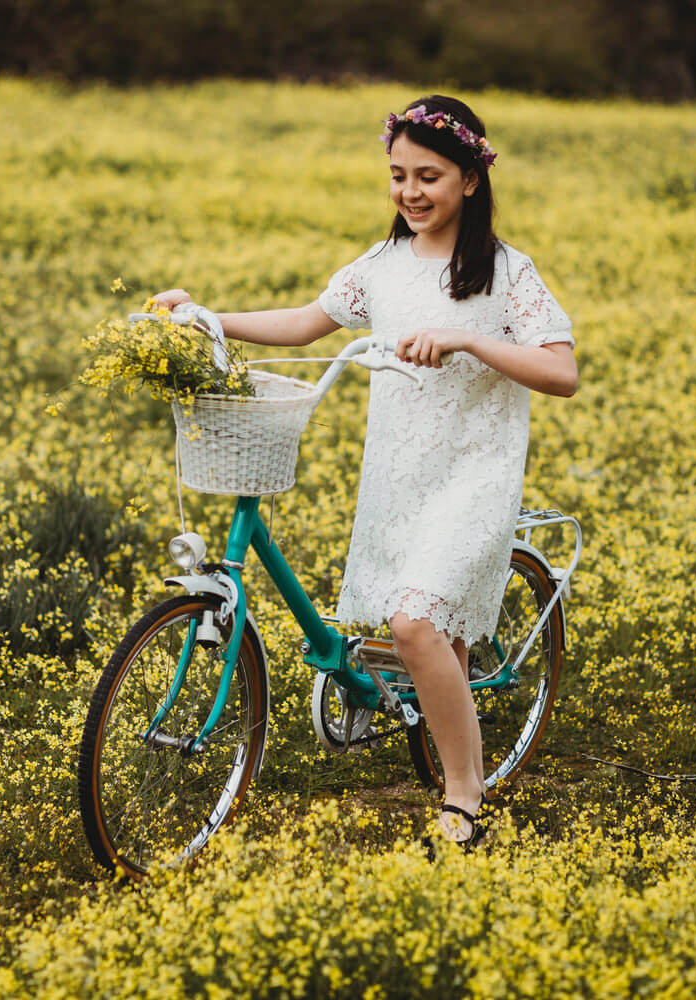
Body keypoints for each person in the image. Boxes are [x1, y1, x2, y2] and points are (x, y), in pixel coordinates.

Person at [152, 95, 578, 848]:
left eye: (430, 176)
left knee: (414, 623)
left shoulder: (506, 273)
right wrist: (209, 316)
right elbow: (307, 321)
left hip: (474, 473)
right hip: (399, 476)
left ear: (470, 180)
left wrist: (467, 341)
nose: (411, 192)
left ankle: (464, 793)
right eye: (398, 175)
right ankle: (453, 746)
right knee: (426, 636)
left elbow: (561, 372)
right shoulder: (381, 267)